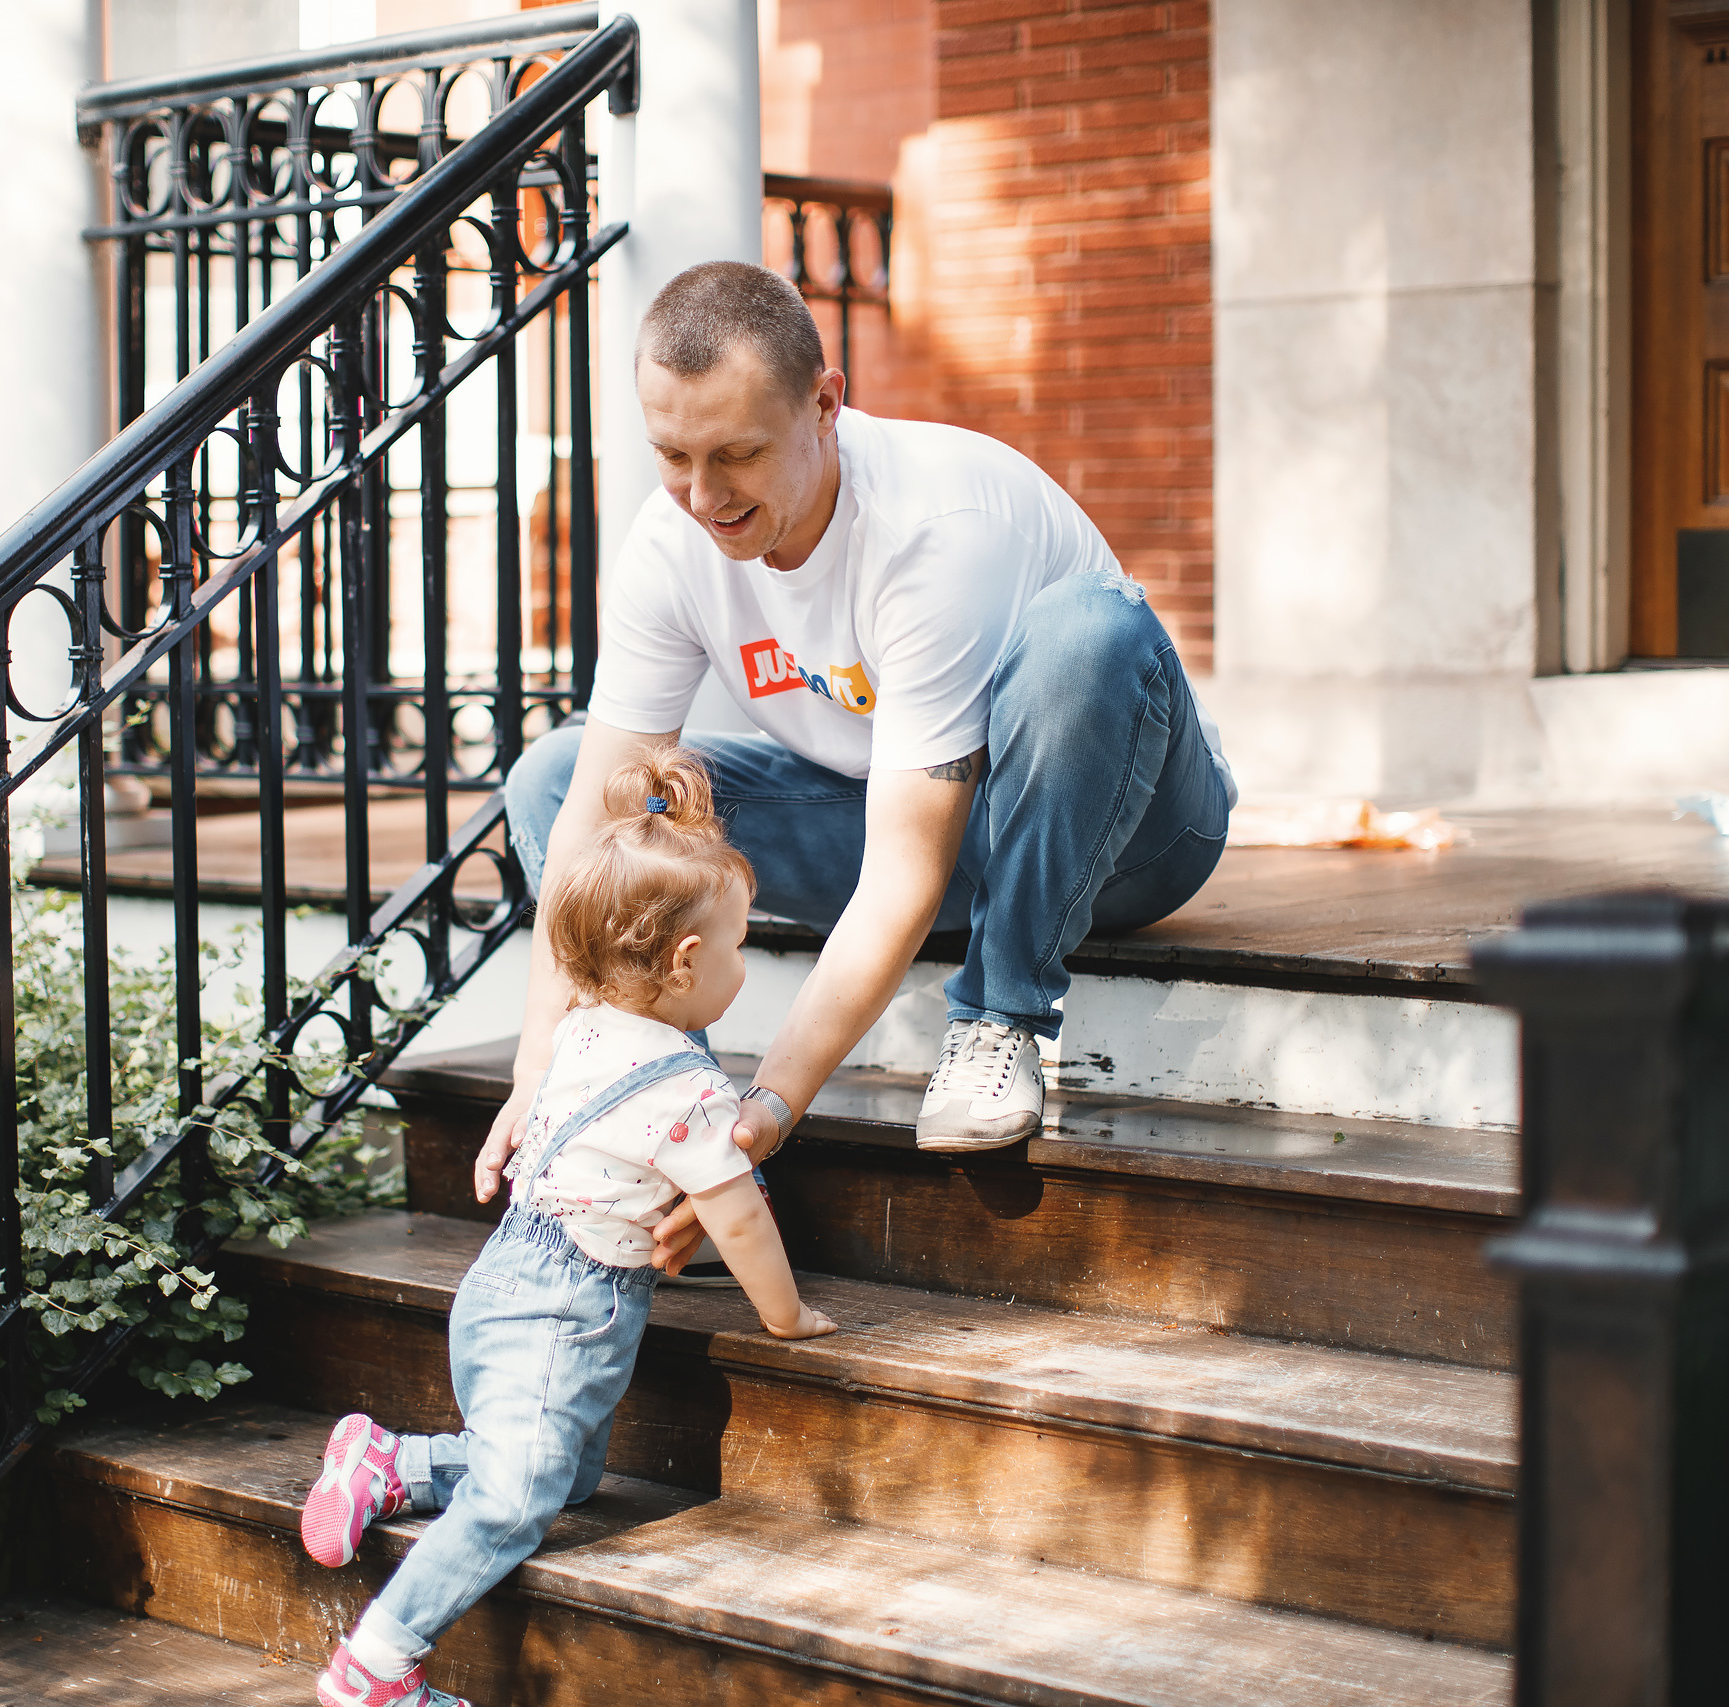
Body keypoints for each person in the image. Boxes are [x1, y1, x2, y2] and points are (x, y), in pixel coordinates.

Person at [490, 261, 1236, 1268]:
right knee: (556, 774)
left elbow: (903, 876)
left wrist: (778, 1103)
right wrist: (545, 1064)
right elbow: (587, 825)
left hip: (1127, 833)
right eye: (673, 455)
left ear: (825, 406)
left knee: (1087, 633)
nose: (703, 497)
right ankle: (678, 1131)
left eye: (737, 455)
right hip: (901, 812)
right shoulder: (669, 544)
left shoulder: (934, 528)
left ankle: (999, 1015)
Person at [300, 750, 841, 1707]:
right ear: (685, 961)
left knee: (569, 1473)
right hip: (565, 1316)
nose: (743, 964)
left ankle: (391, 1461)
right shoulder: (689, 1092)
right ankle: (376, 1664)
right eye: (739, 944)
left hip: (506, 1284)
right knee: (517, 1500)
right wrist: (788, 1319)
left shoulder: (584, 1029)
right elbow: (742, 1220)